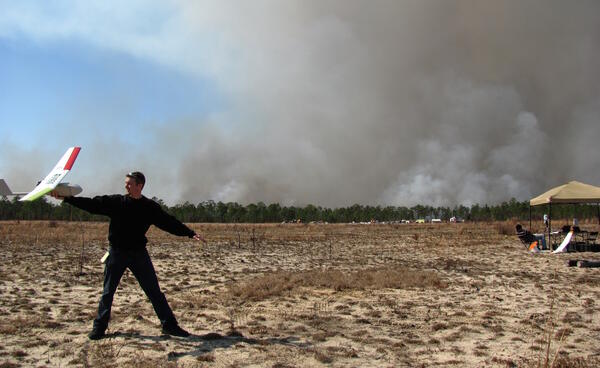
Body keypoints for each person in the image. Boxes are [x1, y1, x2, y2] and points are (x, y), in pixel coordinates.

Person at [52, 171, 205, 340]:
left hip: (139, 254)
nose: (126, 186)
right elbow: (92, 205)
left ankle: (169, 325)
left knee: (154, 291)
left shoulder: (149, 207)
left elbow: (168, 222)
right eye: (126, 183)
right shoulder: (117, 202)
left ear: (140, 186)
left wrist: (189, 233)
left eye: (130, 183)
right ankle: (99, 328)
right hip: (117, 253)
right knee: (108, 292)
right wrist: (67, 199)